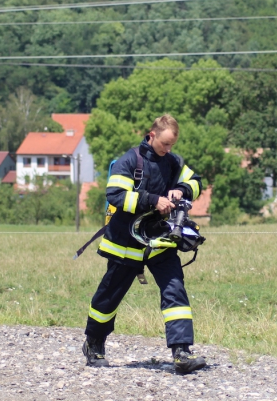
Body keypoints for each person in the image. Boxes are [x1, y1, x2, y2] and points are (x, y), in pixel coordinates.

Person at [83, 114, 207, 374]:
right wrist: (152, 200)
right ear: (152, 136)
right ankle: (94, 343)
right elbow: (115, 195)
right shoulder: (130, 161)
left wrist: (182, 189)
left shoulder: (173, 161)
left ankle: (181, 352)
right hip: (126, 244)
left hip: (160, 242)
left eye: (172, 145)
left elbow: (197, 182)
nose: (168, 149)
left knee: (175, 290)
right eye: (164, 144)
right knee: (109, 296)